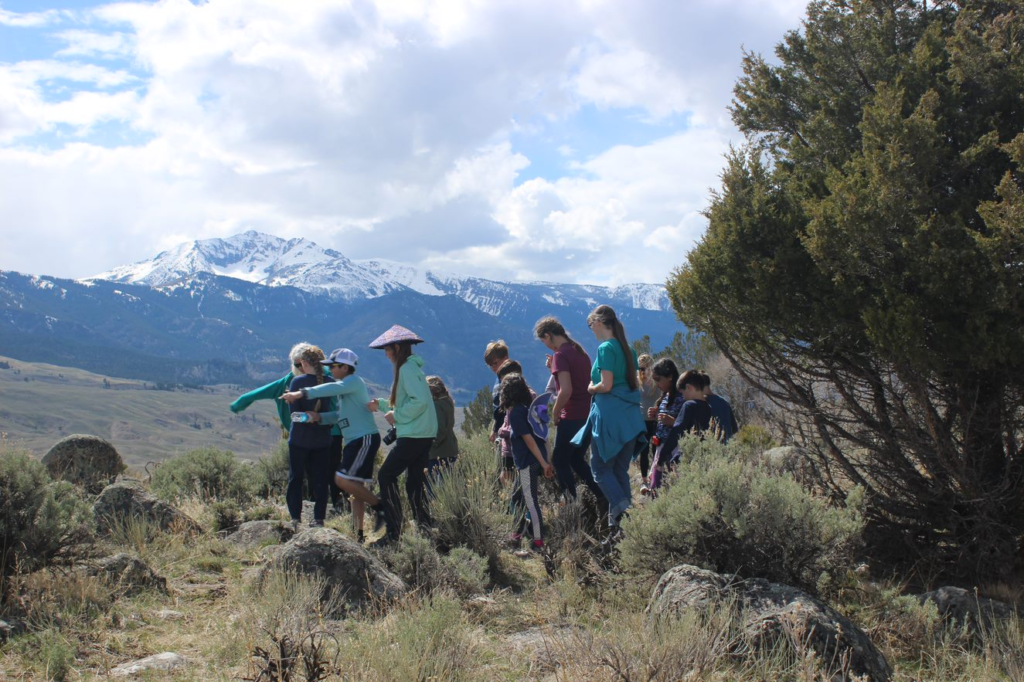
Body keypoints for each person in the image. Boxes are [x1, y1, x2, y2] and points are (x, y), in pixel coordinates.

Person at [281, 348, 385, 544]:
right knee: (355, 487)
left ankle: (380, 505)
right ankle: (359, 534)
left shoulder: (351, 382)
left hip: (363, 438)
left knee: (341, 479)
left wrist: (301, 393)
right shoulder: (345, 386)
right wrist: (319, 417)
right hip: (356, 439)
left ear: (345, 367)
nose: (330, 370)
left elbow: (331, 390)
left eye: (333, 366)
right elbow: (338, 416)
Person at [230, 359, 347, 510]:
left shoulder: (294, 383)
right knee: (324, 473)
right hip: (329, 433)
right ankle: (330, 509)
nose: (301, 367)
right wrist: (240, 403)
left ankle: (324, 508)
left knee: (314, 473)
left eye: (302, 363)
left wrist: (239, 404)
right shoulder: (320, 380)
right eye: (298, 364)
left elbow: (296, 415)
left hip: (314, 436)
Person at [572, 305, 646, 540]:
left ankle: (624, 515)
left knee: (600, 470)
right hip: (630, 417)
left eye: (590, 323)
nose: (590, 329)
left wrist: (590, 387)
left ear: (600, 322)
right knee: (619, 470)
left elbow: (606, 385)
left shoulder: (605, 348)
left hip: (610, 415)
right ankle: (621, 531)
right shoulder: (629, 350)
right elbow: (632, 383)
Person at [367, 325, 438, 545]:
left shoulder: (406, 369)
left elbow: (420, 402)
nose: (386, 354)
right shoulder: (410, 368)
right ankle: (424, 526)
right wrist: (380, 405)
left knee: (386, 476)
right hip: (422, 433)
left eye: (387, 349)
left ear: (397, 347)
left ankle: (394, 530)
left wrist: (396, 416)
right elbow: (409, 400)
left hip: (414, 434)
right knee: (413, 482)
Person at [533, 316, 603, 502]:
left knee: (560, 460)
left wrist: (555, 413)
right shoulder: (578, 350)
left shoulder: (561, 355)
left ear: (548, 335)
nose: (545, 345)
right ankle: (603, 497)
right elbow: (578, 383)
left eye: (544, 341)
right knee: (576, 459)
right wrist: (553, 370)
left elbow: (566, 390)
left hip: (571, 416)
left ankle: (572, 504)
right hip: (587, 414)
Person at [499, 372, 555, 557]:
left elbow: (529, 440)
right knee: (517, 498)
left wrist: (544, 464)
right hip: (533, 462)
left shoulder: (516, 413)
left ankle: (537, 540)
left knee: (530, 501)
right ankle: (518, 534)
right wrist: (546, 461)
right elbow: (542, 436)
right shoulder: (527, 408)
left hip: (528, 463)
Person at [283, 343, 336, 530]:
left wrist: (307, 417)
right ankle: (319, 519)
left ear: (304, 363)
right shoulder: (330, 382)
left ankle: (295, 518)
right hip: (322, 440)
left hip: (299, 440)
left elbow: (294, 417)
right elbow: (332, 413)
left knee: (296, 479)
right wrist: (316, 418)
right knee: (321, 480)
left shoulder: (297, 383)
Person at [646, 358, 684, 493]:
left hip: (676, 450)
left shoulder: (683, 396)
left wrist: (673, 422)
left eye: (658, 379)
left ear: (670, 377)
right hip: (661, 448)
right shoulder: (665, 397)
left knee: (674, 486)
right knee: (659, 486)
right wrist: (655, 415)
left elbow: (690, 423)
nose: (656, 384)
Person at [660, 370, 713, 465]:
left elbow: (676, 431)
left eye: (683, 393)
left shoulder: (689, 405)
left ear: (689, 387)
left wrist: (661, 457)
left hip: (689, 458)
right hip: (707, 458)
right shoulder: (709, 408)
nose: (683, 397)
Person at [426, 375, 459, 479]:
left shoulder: (436, 405)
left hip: (438, 453)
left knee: (433, 487)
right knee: (447, 483)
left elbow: (440, 429)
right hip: (450, 449)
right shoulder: (448, 401)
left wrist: (430, 445)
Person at [636, 354, 660, 492]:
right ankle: (644, 481)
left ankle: (656, 478)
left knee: (656, 450)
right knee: (643, 451)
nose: (643, 371)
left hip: (656, 421)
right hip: (642, 421)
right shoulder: (637, 382)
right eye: (640, 368)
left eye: (645, 368)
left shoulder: (657, 382)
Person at [484, 340, 510, 444]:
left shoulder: (510, 378)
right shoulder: (498, 378)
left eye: (495, 363)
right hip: (500, 427)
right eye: (490, 365)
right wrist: (494, 429)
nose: (493, 368)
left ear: (505, 358)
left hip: (508, 428)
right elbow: (497, 408)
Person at [701, 371, 739, 443]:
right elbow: (734, 429)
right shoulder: (724, 402)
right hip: (728, 448)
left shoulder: (704, 404)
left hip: (712, 448)